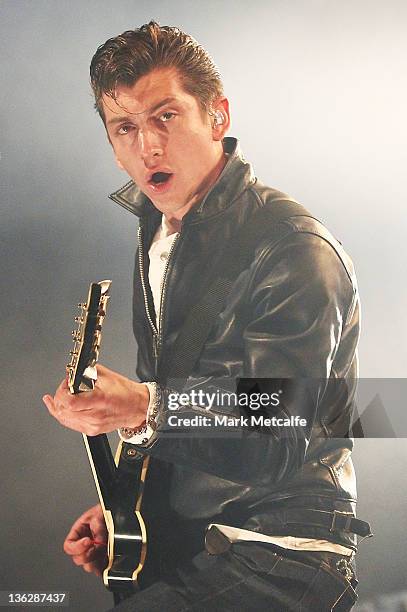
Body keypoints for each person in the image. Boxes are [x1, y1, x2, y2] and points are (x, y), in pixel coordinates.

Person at [43, 21, 372, 611]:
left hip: (282, 552)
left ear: (217, 116)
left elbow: (279, 425)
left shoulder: (292, 247)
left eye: (166, 117)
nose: (148, 147)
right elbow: (189, 410)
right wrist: (135, 516)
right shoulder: (161, 239)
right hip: (205, 545)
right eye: (126, 127)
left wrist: (146, 404)